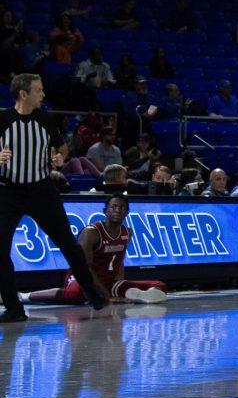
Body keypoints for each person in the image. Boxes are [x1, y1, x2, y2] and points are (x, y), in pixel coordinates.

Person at [0, 74, 109, 319]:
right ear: (23, 93)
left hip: (41, 189)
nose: (43, 94)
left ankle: (93, 294)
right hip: (8, 191)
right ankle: (14, 308)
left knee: (68, 244)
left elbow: (61, 147)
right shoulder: (2, 119)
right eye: (38, 90)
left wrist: (59, 157)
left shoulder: (46, 119)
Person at [23, 193, 166, 305]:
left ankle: (138, 296)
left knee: (160, 285)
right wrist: (106, 295)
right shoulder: (91, 232)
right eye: (113, 207)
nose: (117, 210)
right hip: (82, 278)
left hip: (109, 280)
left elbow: (119, 261)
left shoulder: (127, 232)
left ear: (127, 212)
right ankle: (25, 296)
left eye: (121, 207)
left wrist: (118, 285)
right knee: (79, 294)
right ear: (106, 210)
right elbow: (86, 267)